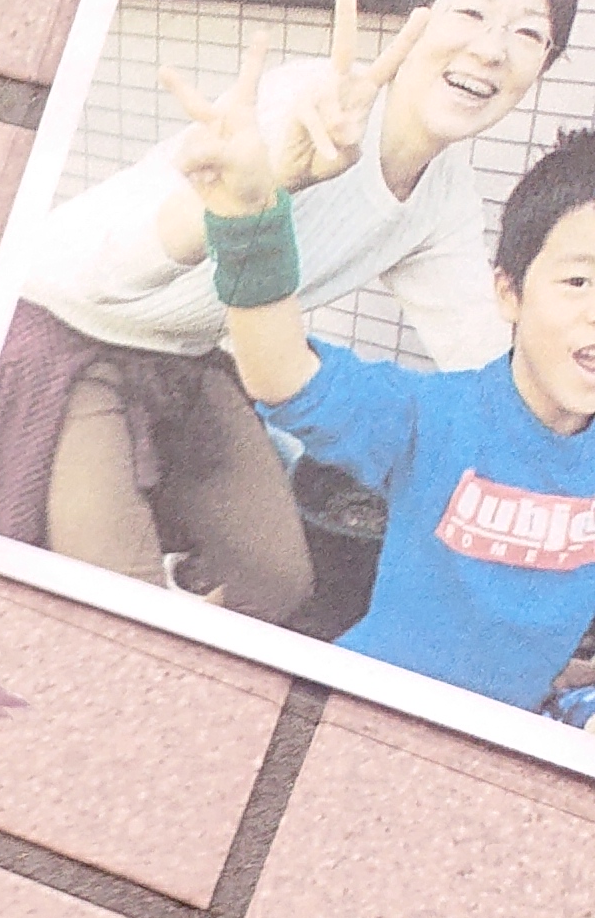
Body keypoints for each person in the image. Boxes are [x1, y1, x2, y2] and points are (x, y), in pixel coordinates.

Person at [0, 0, 575, 617]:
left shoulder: (444, 195)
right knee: (119, 610)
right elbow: (107, 270)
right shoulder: (309, 102)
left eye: (529, 35)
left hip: (185, 356)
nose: (490, 49)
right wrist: (247, 198)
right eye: (471, 11)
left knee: (279, 584)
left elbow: (489, 356)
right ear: (422, 15)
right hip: (55, 327)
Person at [193, 71, 595, 710]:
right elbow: (280, 374)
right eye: (579, 282)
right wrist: (248, 218)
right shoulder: (432, 417)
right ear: (509, 291)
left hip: (508, 734)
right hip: (365, 712)